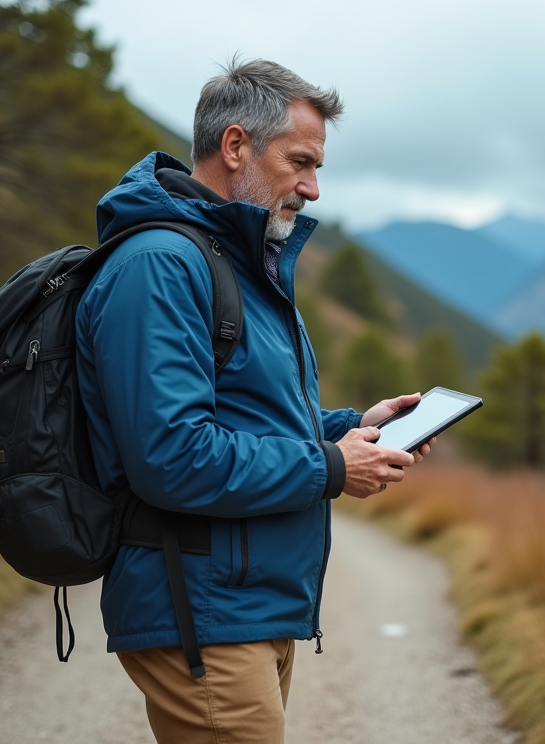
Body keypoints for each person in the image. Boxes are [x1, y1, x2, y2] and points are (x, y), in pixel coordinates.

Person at [74, 57, 433, 743]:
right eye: (300, 161)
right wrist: (330, 467)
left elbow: (250, 416)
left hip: (249, 605)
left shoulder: (237, 263)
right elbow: (172, 455)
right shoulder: (160, 266)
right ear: (236, 145)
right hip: (204, 607)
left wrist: (355, 427)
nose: (314, 188)